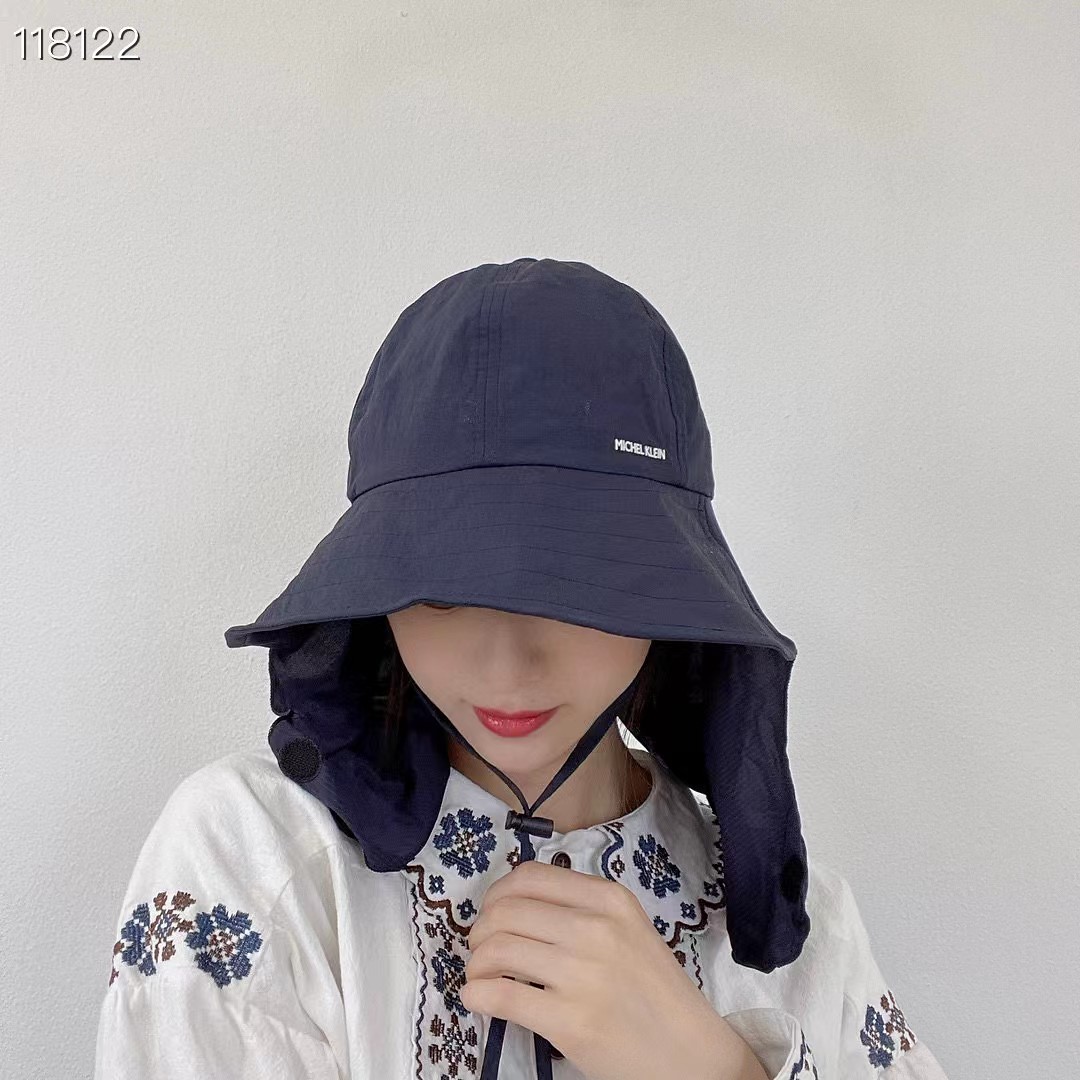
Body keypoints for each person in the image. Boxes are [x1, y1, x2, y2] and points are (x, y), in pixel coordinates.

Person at [94, 258, 950, 1080]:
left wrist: (717, 1072)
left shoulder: (807, 932)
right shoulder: (259, 857)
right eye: (440, 589)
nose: (506, 663)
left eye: (577, 584)